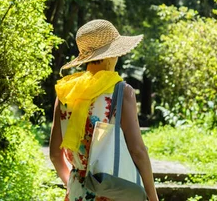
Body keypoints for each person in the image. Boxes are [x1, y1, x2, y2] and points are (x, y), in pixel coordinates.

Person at [49, 20, 159, 201]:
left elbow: (54, 154)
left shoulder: (66, 92)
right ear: (111, 55)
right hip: (114, 190)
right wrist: (153, 197)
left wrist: (74, 184)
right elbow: (138, 151)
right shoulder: (122, 91)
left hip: (77, 192)